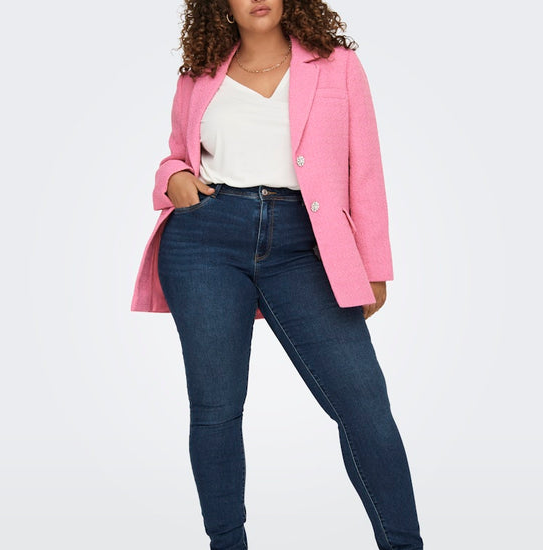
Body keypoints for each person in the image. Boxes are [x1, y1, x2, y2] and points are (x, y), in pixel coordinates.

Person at [131, 1, 424, 549]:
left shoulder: (336, 65)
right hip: (205, 242)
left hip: (304, 246)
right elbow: (176, 155)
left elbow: (366, 168)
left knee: (364, 405)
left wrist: (373, 265)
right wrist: (172, 178)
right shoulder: (199, 72)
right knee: (216, 409)